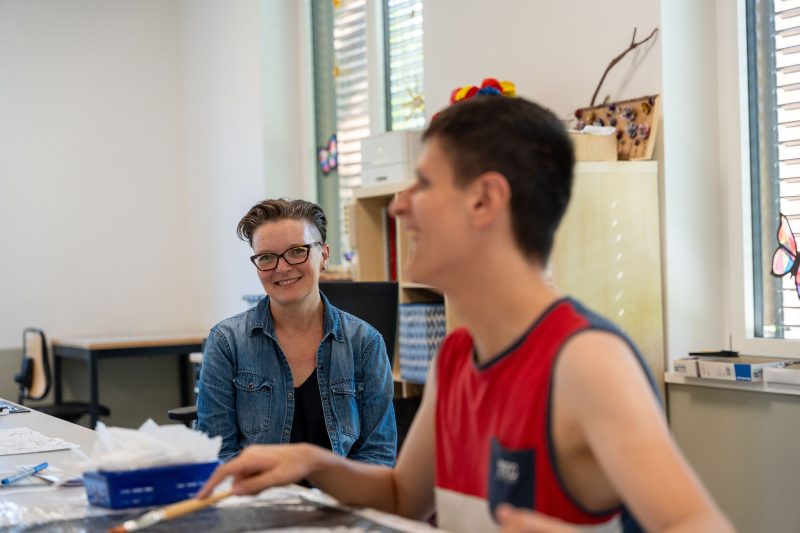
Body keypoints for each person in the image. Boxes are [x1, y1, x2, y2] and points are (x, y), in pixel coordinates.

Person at [199, 98, 732, 532]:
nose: (400, 205)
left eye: (424, 183)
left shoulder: (587, 361)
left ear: (484, 201)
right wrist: (314, 463)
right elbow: (402, 496)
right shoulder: (456, 354)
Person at [196, 198, 396, 466]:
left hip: (343, 501)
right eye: (266, 257)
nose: (282, 267)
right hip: (259, 500)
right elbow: (218, 453)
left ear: (324, 255)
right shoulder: (226, 342)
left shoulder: (365, 343)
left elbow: (378, 454)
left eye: (296, 251)